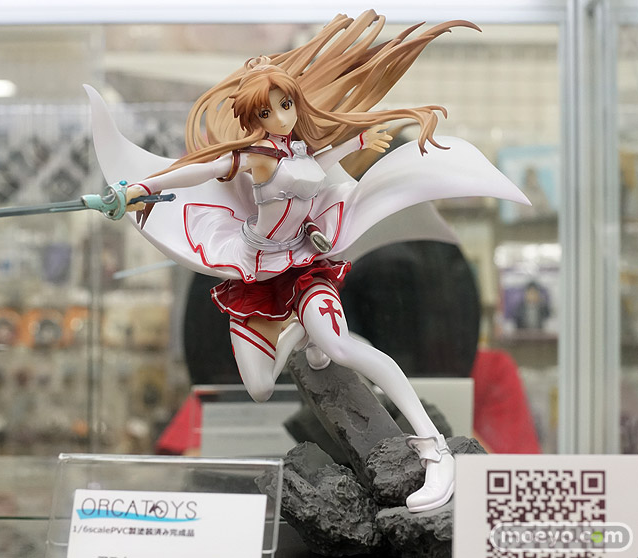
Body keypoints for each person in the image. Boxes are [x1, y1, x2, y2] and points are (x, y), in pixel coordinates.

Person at [85, 11, 530, 513]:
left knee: (340, 348)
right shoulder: (253, 157)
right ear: (252, 117)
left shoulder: (303, 152)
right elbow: (193, 173)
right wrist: (136, 189)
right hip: (257, 275)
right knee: (258, 387)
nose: (280, 117)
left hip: (303, 270)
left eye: (285, 104)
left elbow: (321, 167)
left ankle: (432, 447)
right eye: (267, 110)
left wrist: (358, 142)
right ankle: (299, 331)